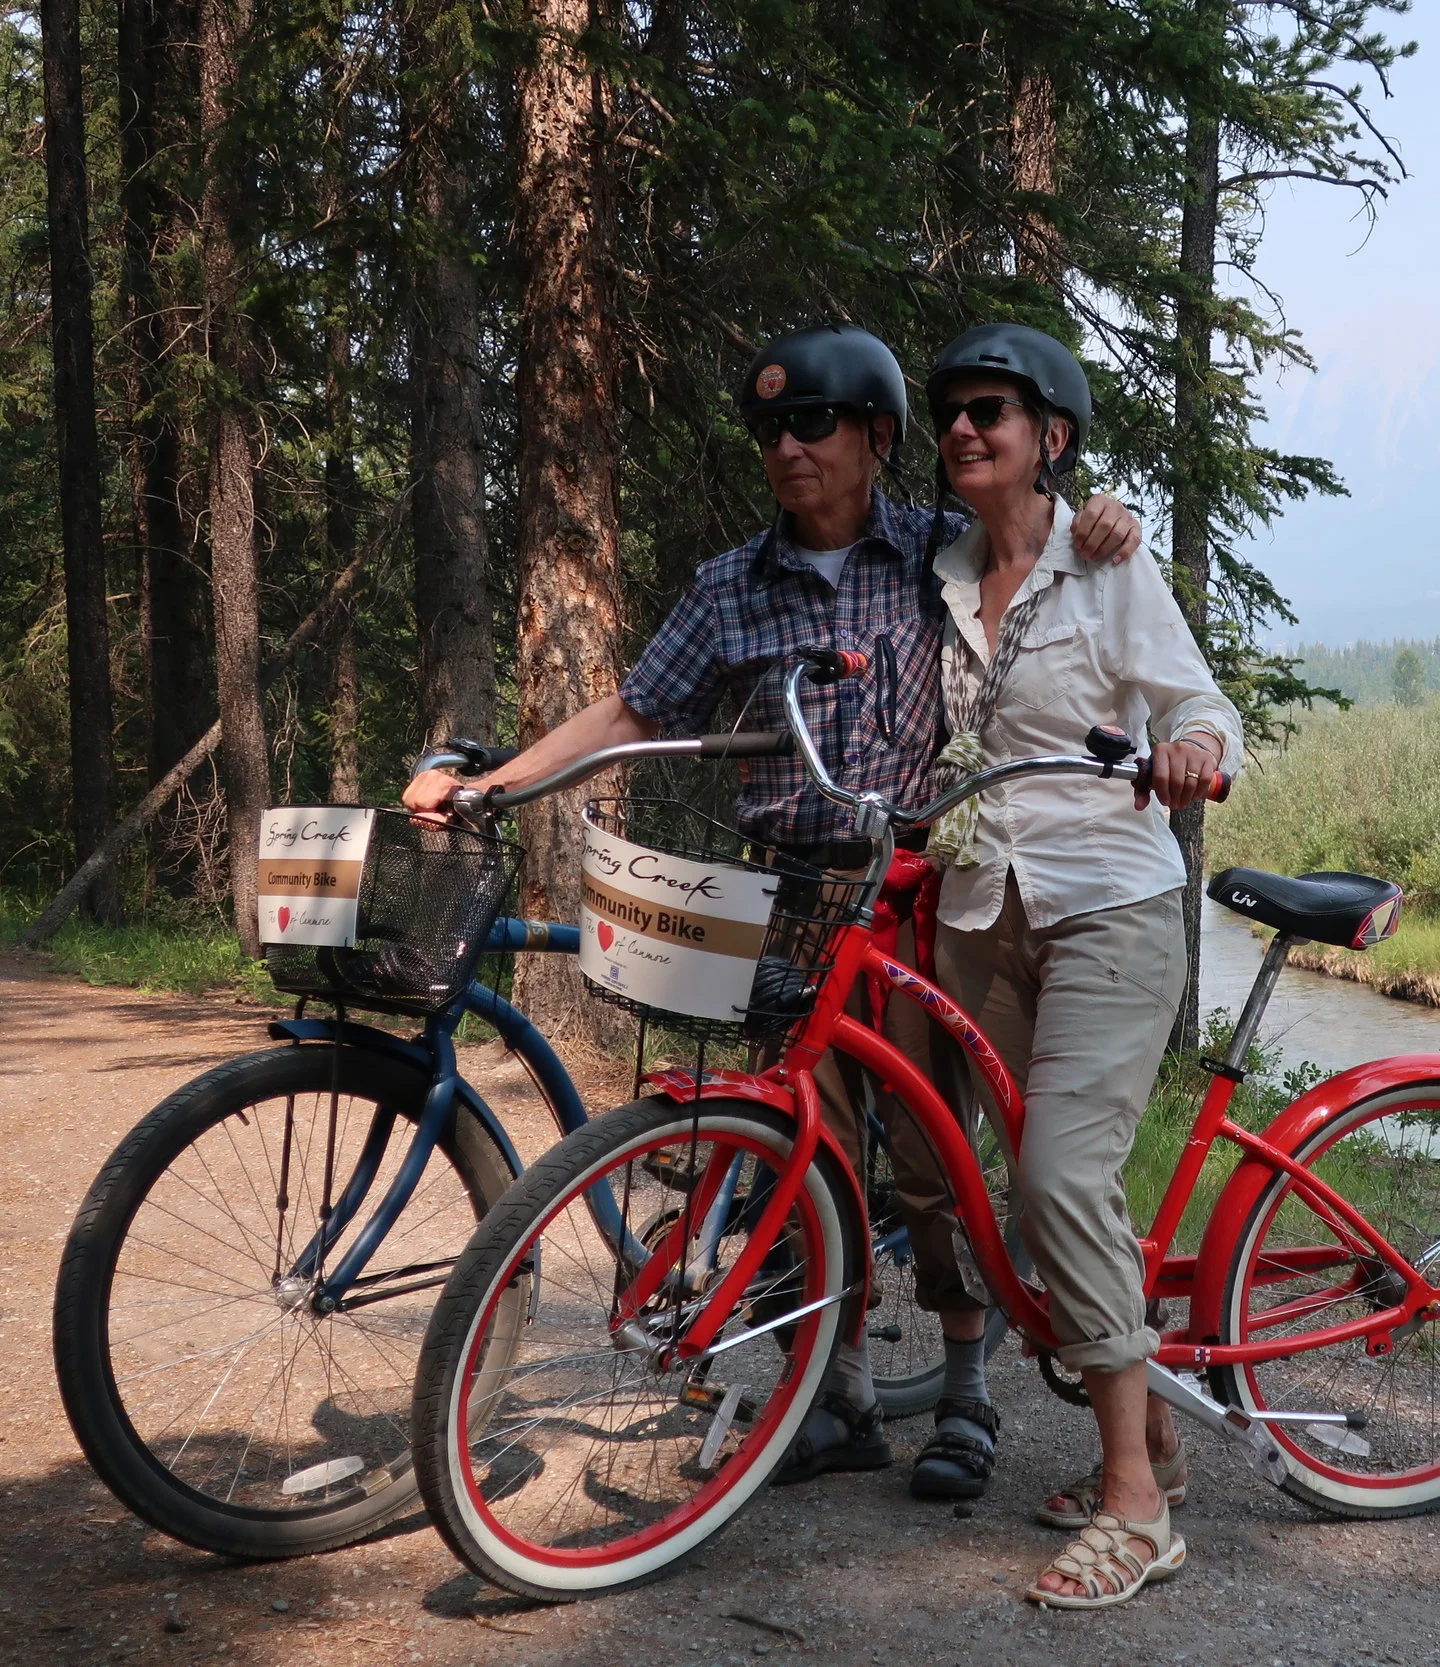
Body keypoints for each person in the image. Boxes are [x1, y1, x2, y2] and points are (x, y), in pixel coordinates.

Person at [401, 323, 1144, 1495]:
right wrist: (494, 782)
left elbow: (1035, 540)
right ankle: (832, 1391)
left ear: (874, 437)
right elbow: (633, 712)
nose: (787, 448)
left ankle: (964, 1388)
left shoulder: (932, 553)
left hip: (903, 893)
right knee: (805, 1155)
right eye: (768, 429)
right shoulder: (729, 587)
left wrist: (1110, 514)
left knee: (925, 1158)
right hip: (786, 905)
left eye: (813, 423)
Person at [917, 322, 1241, 1609]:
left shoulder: (1109, 566)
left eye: (989, 410)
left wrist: (1191, 753)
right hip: (977, 905)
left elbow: (1197, 700)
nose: (962, 429)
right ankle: (1152, 1425)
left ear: (1049, 435)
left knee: (1058, 1172)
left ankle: (1137, 1503)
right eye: (950, 411)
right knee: (1010, 1192)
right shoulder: (933, 572)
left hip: (1108, 902)